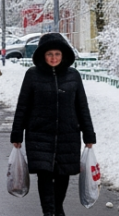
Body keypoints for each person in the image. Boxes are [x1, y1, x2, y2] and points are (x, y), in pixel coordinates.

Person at [10, 33, 95, 216]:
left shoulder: (73, 76)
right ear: (43, 55)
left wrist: (89, 135)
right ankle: (49, 212)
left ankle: (57, 208)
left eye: (57, 54)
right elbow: (23, 106)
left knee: (63, 175)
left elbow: (82, 106)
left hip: (68, 134)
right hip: (40, 134)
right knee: (45, 175)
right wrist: (16, 134)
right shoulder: (32, 75)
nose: (54, 58)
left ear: (63, 55)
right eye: (50, 54)